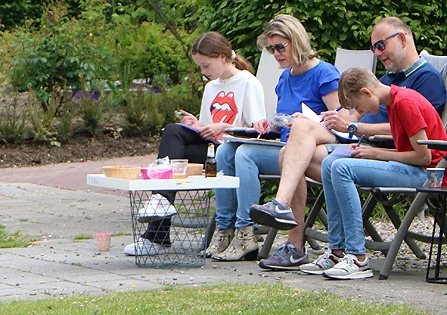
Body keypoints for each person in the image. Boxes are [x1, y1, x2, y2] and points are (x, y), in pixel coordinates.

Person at [250, 17, 446, 241]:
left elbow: (421, 141)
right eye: (374, 48)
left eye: (381, 45)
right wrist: (337, 119)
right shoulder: (387, 83)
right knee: (291, 153)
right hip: (367, 146)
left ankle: (349, 249)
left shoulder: (421, 82)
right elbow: (352, 114)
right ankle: (301, 242)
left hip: (399, 159)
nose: (377, 54)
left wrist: (357, 128)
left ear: (402, 39)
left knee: (335, 166)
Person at [212, 14, 340, 267]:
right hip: (286, 144)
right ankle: (225, 227)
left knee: (246, 155)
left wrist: (303, 122)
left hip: (319, 146)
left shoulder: (324, 73)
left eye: (281, 47)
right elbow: (284, 121)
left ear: (298, 42)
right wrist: (270, 124)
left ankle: (247, 231)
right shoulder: (285, 77)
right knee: (227, 150)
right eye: (272, 49)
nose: (276, 54)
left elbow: (339, 121)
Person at [126, 32, 267, 256]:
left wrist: (223, 127)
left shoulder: (249, 83)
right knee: (173, 131)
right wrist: (196, 124)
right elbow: (206, 129)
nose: (204, 72)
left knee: (198, 150)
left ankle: (157, 230)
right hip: (212, 146)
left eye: (205, 65)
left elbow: (257, 130)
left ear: (222, 57)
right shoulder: (211, 87)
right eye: (200, 67)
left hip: (233, 150)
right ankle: (159, 208)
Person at [302, 68, 446, 279]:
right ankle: (337, 250)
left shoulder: (405, 102)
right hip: (418, 168)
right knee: (329, 163)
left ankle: (358, 256)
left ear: (366, 92)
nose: (364, 112)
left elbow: (424, 158)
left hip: (432, 175)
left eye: (359, 106)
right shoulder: (395, 101)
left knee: (342, 168)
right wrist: (371, 153)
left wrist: (376, 153)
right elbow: (411, 151)